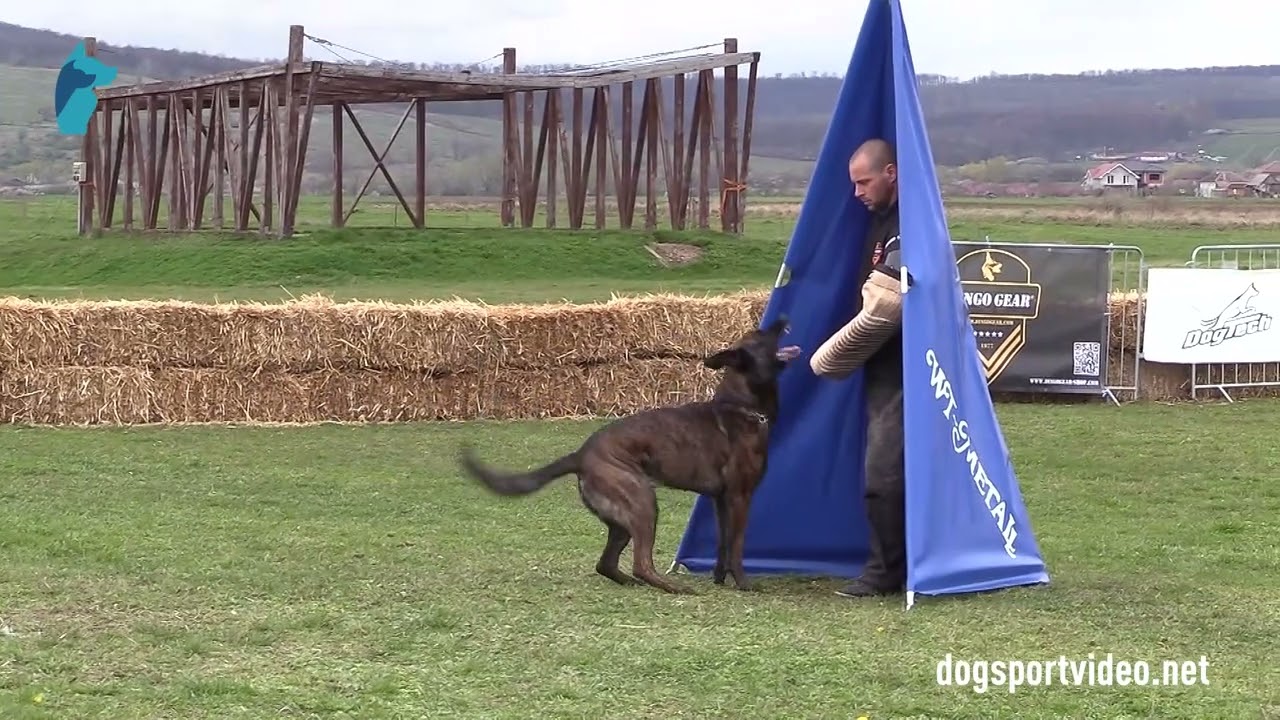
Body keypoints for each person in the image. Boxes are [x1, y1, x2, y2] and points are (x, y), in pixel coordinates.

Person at [809, 138, 907, 598]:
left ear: (891, 173)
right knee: (881, 470)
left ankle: (885, 574)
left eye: (864, 182)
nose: (857, 193)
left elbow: (887, 307)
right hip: (880, 369)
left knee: (884, 474)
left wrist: (829, 359)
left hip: (904, 368)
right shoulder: (879, 220)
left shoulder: (910, 224)